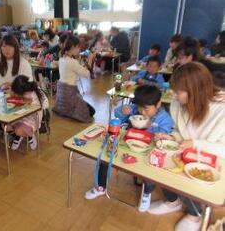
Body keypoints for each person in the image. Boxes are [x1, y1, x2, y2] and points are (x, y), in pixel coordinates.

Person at [147, 62, 225, 231]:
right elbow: (178, 131)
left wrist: (196, 144)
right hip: (186, 152)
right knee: (159, 160)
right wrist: (171, 136)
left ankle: (195, 215)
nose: (174, 95)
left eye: (178, 91)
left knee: (192, 175)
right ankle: (172, 201)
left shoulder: (221, 109)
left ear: (196, 90)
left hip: (212, 160)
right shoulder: (178, 104)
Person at [85, 85, 174, 200]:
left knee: (151, 169)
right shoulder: (134, 109)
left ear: (158, 104)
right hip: (127, 143)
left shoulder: (164, 118)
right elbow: (118, 114)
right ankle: (101, 187)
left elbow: (164, 136)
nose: (142, 111)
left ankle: (146, 195)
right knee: (106, 157)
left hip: (147, 150)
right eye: (140, 107)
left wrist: (151, 128)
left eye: (146, 108)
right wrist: (123, 111)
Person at [0, 34, 33, 139]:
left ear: (16, 48)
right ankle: (2, 128)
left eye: (9, 46)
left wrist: (11, 85)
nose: (6, 50)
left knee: (1, 108)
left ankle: (14, 132)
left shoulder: (24, 63)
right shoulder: (0, 63)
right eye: (3, 46)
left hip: (20, 98)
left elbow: (28, 86)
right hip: (4, 97)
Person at [52, 35, 96, 122]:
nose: (79, 50)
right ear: (73, 47)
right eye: (78, 47)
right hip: (70, 95)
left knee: (85, 106)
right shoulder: (72, 62)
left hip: (62, 94)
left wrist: (83, 63)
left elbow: (77, 69)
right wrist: (90, 59)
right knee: (92, 111)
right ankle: (70, 112)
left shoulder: (62, 58)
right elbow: (87, 74)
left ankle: (66, 111)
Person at [9, 75, 49, 150]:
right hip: (22, 114)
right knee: (6, 126)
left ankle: (30, 135)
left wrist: (32, 102)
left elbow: (46, 104)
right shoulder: (24, 91)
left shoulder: (34, 92)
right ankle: (20, 134)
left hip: (33, 117)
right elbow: (15, 95)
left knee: (18, 130)